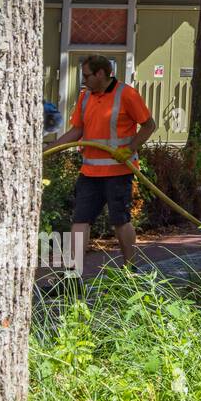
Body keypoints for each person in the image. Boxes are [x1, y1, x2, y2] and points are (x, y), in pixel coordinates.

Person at [49, 56, 157, 268]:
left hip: (118, 172)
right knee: (80, 221)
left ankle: (129, 272)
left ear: (100, 74)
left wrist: (130, 148)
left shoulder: (127, 94)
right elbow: (77, 130)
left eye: (87, 75)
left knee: (120, 221)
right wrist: (49, 149)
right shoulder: (85, 97)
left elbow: (149, 125)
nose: (84, 80)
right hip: (89, 173)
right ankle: (72, 277)